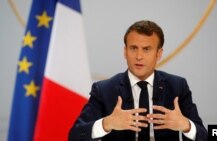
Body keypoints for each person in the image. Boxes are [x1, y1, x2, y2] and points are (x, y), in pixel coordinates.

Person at [68, 20, 207, 141]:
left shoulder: (177, 86)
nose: (139, 56)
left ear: (159, 54)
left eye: (146, 49)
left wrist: (186, 125)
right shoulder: (104, 89)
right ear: (125, 51)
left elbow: (203, 135)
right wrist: (106, 123)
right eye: (133, 48)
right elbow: (74, 136)